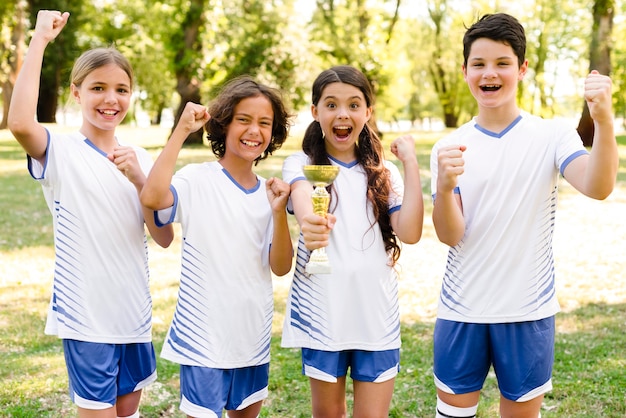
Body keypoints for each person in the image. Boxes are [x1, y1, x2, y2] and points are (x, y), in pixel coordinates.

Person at [430, 13, 618, 418]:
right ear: (464, 71)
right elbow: (450, 234)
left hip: (527, 311)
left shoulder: (553, 136)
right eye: (478, 64)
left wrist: (603, 120)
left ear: (522, 68)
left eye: (502, 63)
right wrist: (444, 188)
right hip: (462, 310)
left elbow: (598, 186)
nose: (489, 74)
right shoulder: (450, 145)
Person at [7, 10, 174, 418]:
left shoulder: (144, 158)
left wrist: (140, 180)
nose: (110, 99)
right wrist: (40, 40)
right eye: (98, 88)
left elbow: (165, 237)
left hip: (133, 313)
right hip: (86, 315)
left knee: (128, 409)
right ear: (77, 93)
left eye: (121, 89)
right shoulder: (59, 151)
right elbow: (18, 122)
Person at [139, 76, 294, 418]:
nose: (254, 130)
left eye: (264, 123)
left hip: (252, 336)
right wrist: (180, 131)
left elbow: (281, 266)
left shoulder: (270, 193)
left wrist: (279, 212)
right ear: (223, 124)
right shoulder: (196, 178)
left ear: (273, 133)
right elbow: (151, 198)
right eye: (244, 119)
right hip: (204, 337)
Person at [281, 65, 424, 417]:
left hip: (376, 315)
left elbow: (410, 232)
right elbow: (301, 198)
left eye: (354, 104)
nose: (342, 114)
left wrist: (410, 165)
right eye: (331, 105)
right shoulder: (299, 164)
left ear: (367, 113)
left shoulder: (384, 173)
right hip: (323, 313)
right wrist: (310, 222)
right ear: (315, 113)